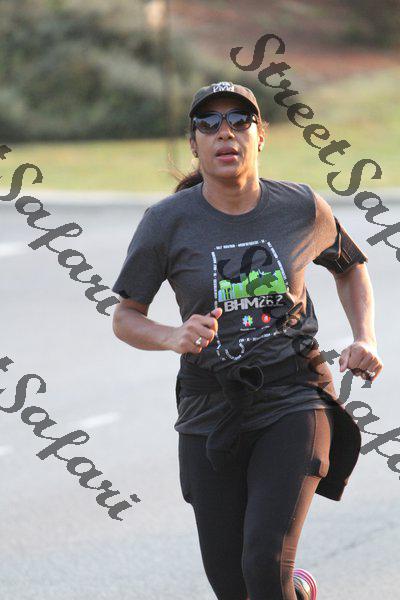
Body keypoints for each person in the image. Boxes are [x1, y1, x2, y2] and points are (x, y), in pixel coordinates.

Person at [111, 81, 383, 600]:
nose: (225, 133)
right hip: (209, 406)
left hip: (293, 395)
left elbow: (349, 267)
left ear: (261, 136)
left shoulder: (300, 206)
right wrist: (173, 335)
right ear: (194, 143)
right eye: (209, 124)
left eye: (239, 121)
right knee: (232, 583)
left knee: (264, 562)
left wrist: (364, 336)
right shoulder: (166, 222)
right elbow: (125, 317)